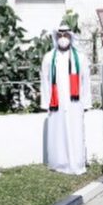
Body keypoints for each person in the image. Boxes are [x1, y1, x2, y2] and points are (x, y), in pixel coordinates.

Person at [40, 22, 91, 174]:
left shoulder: (80, 58)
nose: (63, 38)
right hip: (57, 103)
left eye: (66, 35)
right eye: (60, 35)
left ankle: (77, 162)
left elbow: (85, 81)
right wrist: (46, 102)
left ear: (71, 37)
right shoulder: (49, 58)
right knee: (58, 132)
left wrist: (86, 102)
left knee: (76, 132)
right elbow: (45, 81)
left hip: (75, 102)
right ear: (56, 37)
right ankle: (59, 163)